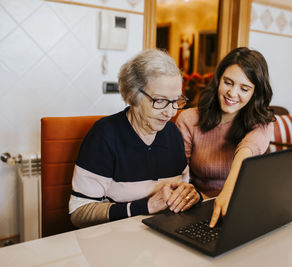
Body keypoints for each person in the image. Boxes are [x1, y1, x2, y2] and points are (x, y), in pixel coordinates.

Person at [69, 49, 201, 228]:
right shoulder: (105, 135)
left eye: (176, 101)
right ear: (132, 96)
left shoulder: (172, 133)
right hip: (118, 240)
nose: (170, 112)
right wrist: (146, 206)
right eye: (160, 101)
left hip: (164, 238)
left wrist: (189, 196)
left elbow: (182, 188)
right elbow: (79, 212)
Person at [175, 47, 274, 228]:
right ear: (218, 80)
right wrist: (204, 199)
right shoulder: (189, 119)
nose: (232, 93)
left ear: (254, 94)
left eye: (244, 88)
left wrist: (227, 192)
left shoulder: (262, 122)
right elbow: (178, 176)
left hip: (242, 210)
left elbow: (247, 150)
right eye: (228, 82)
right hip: (199, 209)